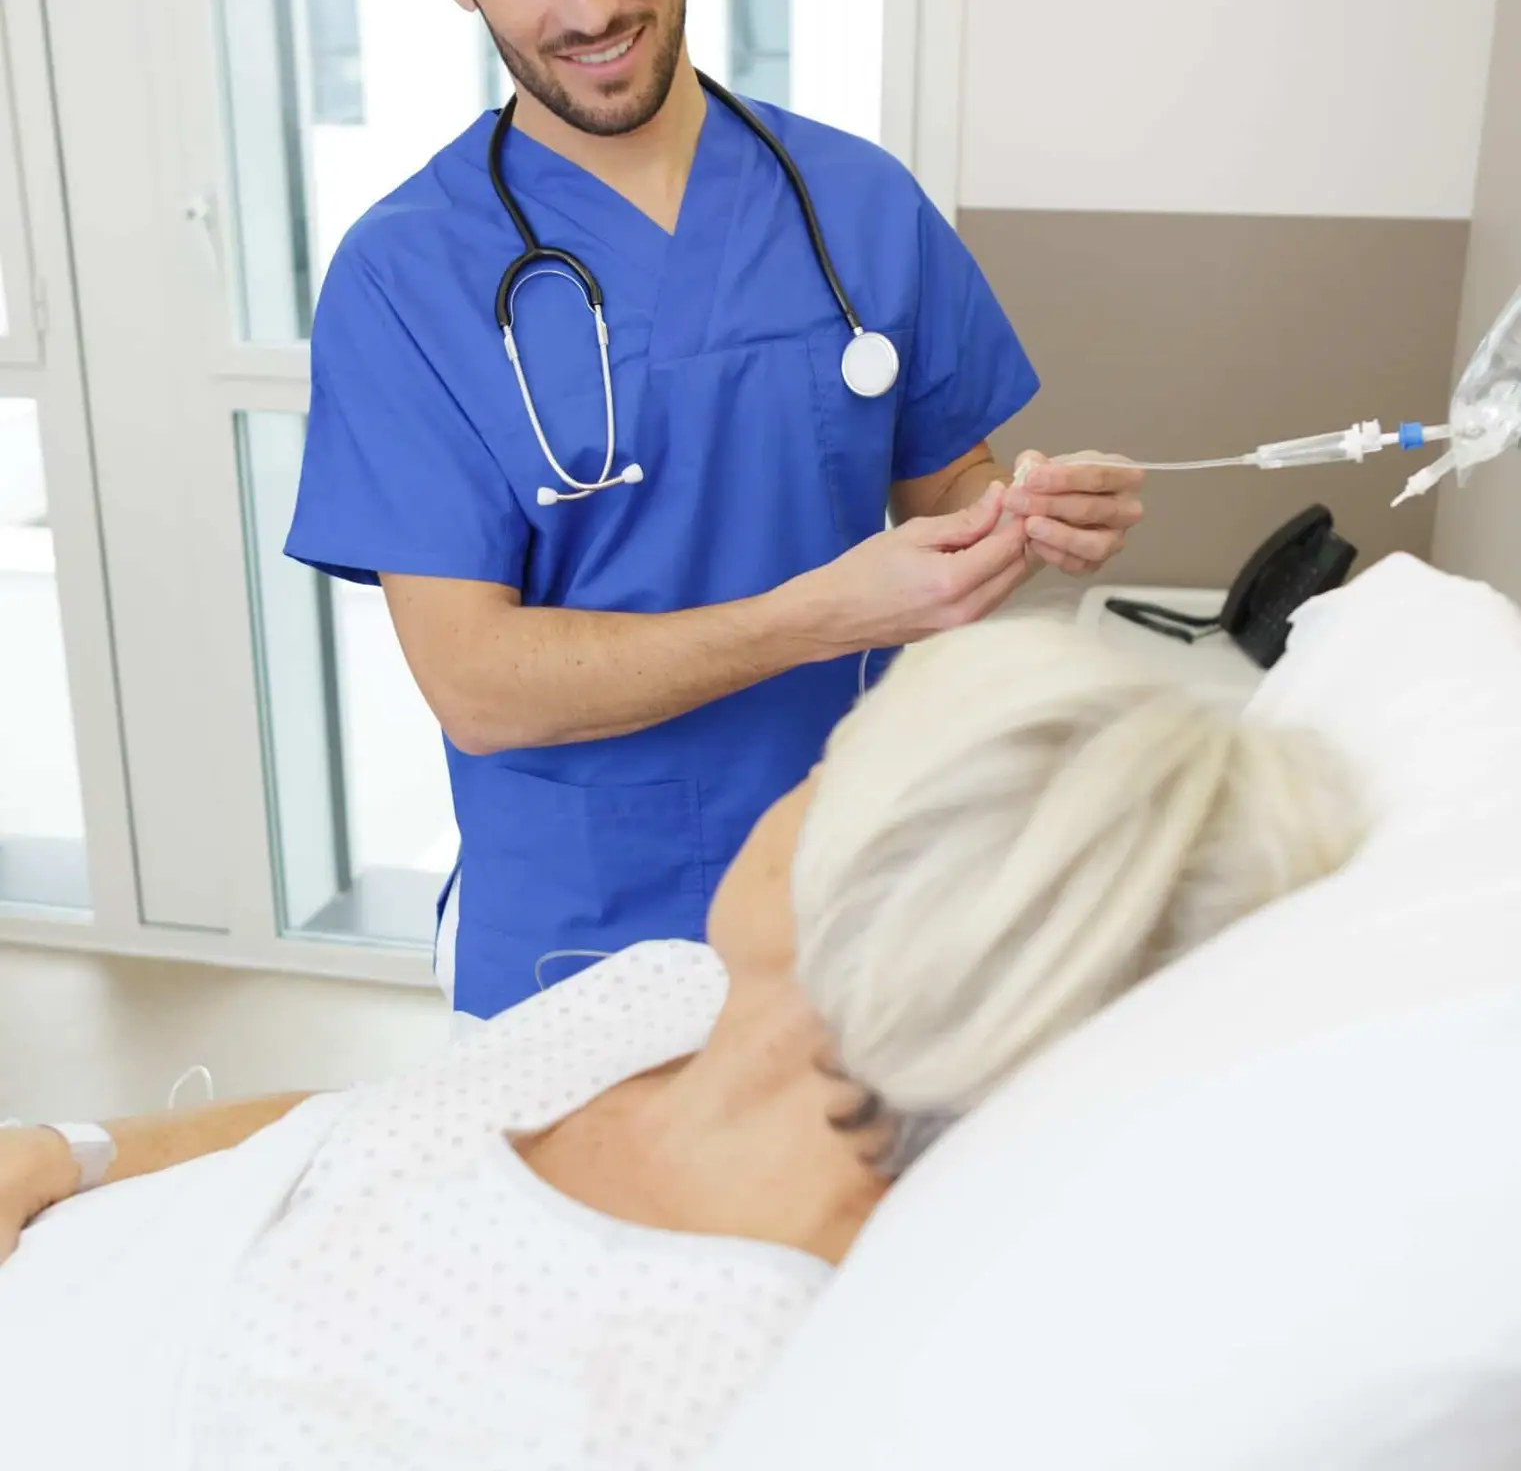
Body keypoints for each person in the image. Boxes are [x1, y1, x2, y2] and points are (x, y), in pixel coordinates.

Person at [282, 0, 1147, 1020]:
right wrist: (823, 614)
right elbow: (479, 686)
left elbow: (948, 494)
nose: (584, 4)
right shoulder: (405, 278)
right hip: (577, 942)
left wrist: (1023, 516)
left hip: (856, 886)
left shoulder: (859, 206)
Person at [0, 618, 1362, 1469]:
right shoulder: (662, 993)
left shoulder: (751, 1377)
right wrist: (66, 1152)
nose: (790, 787)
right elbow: (353, 1129)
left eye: (833, 771)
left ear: (892, 886)